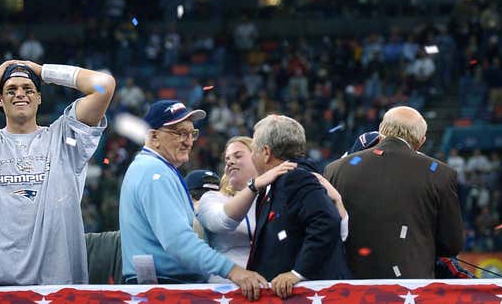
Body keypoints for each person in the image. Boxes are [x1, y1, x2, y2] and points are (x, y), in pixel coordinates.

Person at [0, 60, 116, 286]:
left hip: (58, 291)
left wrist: (43, 71)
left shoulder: (64, 139)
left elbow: (104, 85)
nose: (20, 94)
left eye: (28, 89)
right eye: (10, 90)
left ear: (39, 98)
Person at [119, 100, 267, 301]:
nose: (188, 141)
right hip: (163, 288)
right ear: (154, 136)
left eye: (191, 133)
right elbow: (179, 242)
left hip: (161, 285)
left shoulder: (154, 168)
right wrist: (233, 271)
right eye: (179, 133)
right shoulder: (155, 172)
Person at [324, 106, 464, 279]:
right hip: (411, 288)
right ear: (421, 140)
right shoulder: (441, 174)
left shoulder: (335, 169)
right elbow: (451, 244)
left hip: (349, 287)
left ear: (381, 130)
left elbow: (326, 231)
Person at [197, 136, 348, 284]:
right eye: (227, 159)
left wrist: (337, 203)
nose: (230, 161)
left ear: (259, 157)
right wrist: (254, 186)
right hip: (225, 289)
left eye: (238, 155)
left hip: (274, 286)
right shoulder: (212, 198)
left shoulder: (276, 197)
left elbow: (329, 235)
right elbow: (221, 222)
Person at [246, 115, 351, 299]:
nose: (251, 155)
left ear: (266, 152)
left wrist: (297, 273)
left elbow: (326, 221)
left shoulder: (295, 178)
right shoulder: (277, 182)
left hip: (305, 295)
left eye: (253, 149)